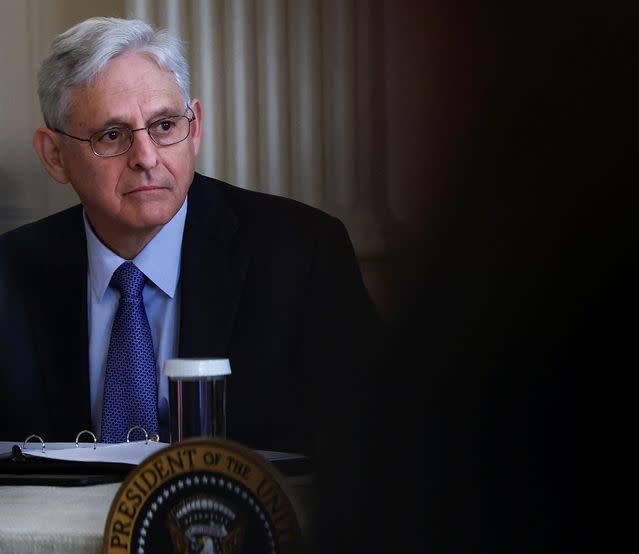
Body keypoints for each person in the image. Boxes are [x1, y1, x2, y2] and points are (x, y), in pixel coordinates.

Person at [0, 17, 380, 458]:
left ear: (194, 127)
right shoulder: (9, 275)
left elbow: (375, 441)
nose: (146, 158)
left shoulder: (301, 254)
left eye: (164, 127)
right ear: (55, 156)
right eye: (112, 135)